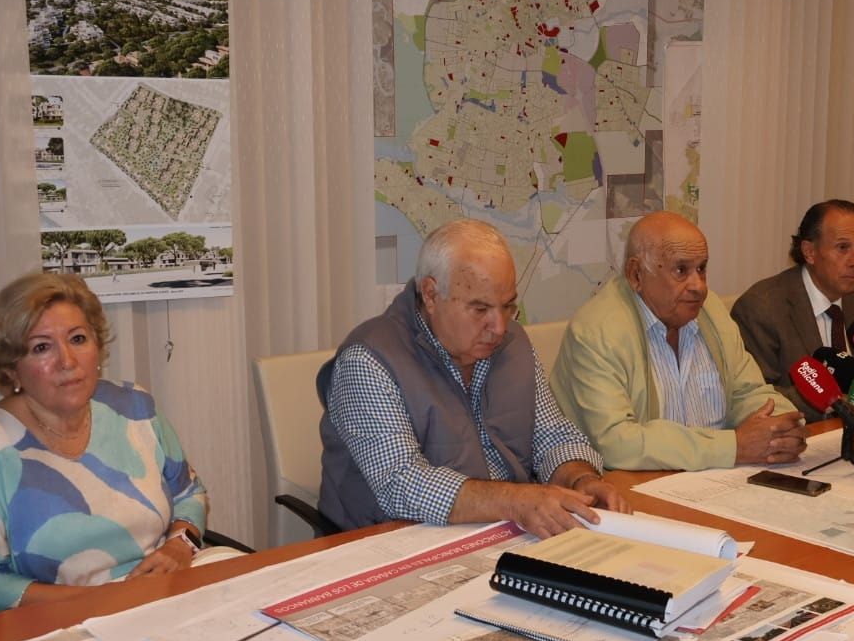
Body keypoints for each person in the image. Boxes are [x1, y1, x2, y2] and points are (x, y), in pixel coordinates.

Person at [319, 219, 630, 536]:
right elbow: (400, 483)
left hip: (499, 535)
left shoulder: (513, 344)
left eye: (507, 306)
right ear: (430, 294)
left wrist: (582, 481)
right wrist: (514, 500)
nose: (499, 327)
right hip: (387, 545)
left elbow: (553, 437)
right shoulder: (369, 360)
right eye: (480, 309)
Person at [0, 272, 208, 610]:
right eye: (41, 347)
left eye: (78, 339)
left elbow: (189, 492)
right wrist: (94, 601)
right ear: (12, 369)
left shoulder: (135, 408)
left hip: (163, 597)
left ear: (97, 346)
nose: (67, 361)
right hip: (62, 620)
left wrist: (179, 545)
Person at [551, 212, 807, 469]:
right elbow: (617, 443)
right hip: (627, 489)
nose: (699, 286)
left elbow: (748, 393)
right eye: (681, 270)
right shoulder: (597, 331)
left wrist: (781, 428)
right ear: (636, 274)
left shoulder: (711, 311)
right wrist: (733, 447)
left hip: (714, 482)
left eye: (702, 268)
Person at [731, 199, 854, 421]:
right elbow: (755, 396)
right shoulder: (761, 307)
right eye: (842, 247)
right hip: (802, 434)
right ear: (809, 251)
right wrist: (834, 402)